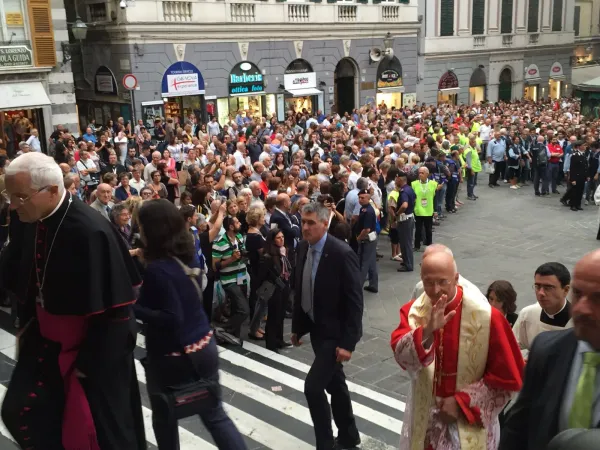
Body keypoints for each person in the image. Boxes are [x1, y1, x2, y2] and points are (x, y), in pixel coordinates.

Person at [0, 152, 145, 449]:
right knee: (19, 411)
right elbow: (12, 265)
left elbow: (117, 312)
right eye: (9, 196)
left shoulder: (91, 231)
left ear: (52, 190)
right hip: (44, 339)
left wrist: (89, 364)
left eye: (20, 197)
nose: (13, 206)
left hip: (93, 351)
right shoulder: (29, 216)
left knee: (100, 434)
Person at [134, 199, 246, 450]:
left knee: (165, 418)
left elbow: (171, 317)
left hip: (171, 356)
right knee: (216, 415)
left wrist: (136, 307)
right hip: (204, 346)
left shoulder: (158, 270)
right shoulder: (187, 253)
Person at [390, 250, 524, 450]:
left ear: (456, 278)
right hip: (425, 417)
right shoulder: (414, 311)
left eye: (443, 282)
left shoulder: (488, 318)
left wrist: (462, 402)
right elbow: (402, 356)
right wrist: (426, 331)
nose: (435, 290)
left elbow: (508, 379)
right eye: (428, 282)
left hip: (466, 423)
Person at [499, 249, 600, 450]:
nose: (581, 308)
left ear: (564, 289)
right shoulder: (547, 349)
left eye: (598, 298)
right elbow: (518, 428)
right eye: (578, 294)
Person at [292, 201, 363, 450]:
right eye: (303, 222)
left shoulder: (342, 253)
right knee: (335, 384)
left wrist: (348, 343)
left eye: (311, 223)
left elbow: (355, 302)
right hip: (316, 330)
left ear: (325, 223)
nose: (306, 227)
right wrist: (297, 327)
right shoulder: (302, 248)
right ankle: (349, 434)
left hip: (335, 333)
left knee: (313, 388)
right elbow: (301, 287)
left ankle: (325, 444)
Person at [512, 262, 573, 358]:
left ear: (565, 290)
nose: (541, 293)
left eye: (548, 287)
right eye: (537, 286)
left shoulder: (580, 324)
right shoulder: (527, 314)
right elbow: (512, 348)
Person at [212, 215, 249, 340]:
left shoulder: (239, 238)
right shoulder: (220, 243)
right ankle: (223, 329)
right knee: (244, 310)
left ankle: (232, 337)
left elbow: (243, 254)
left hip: (241, 277)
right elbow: (215, 266)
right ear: (231, 227)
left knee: (236, 309)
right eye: (237, 222)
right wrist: (231, 259)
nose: (240, 223)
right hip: (229, 280)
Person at [257, 228, 292, 352]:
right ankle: (271, 343)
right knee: (273, 315)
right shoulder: (268, 255)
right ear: (272, 240)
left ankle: (279, 339)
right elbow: (262, 274)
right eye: (278, 237)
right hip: (274, 288)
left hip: (284, 285)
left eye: (282, 237)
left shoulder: (283, 252)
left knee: (281, 314)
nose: (281, 239)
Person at [354, 189, 378, 293]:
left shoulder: (368, 211)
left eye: (363, 198)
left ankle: (357, 288)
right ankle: (373, 284)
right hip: (370, 239)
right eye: (359, 197)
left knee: (363, 263)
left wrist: (358, 239)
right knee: (371, 262)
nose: (360, 199)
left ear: (368, 199)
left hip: (366, 239)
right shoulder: (364, 208)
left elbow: (366, 229)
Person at [412, 166, 438, 251]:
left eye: (422, 173)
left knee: (428, 229)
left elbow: (435, 198)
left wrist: (436, 210)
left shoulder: (433, 184)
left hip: (429, 210)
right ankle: (417, 245)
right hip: (418, 210)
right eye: (419, 173)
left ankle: (429, 244)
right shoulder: (414, 184)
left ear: (427, 174)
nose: (420, 175)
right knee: (418, 229)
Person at [395, 171, 416, 273]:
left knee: (405, 242)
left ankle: (408, 265)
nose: (395, 181)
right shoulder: (409, 189)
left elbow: (404, 205)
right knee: (406, 241)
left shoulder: (403, 191)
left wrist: (397, 213)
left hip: (405, 219)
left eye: (396, 179)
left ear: (400, 179)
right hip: (410, 217)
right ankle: (407, 261)